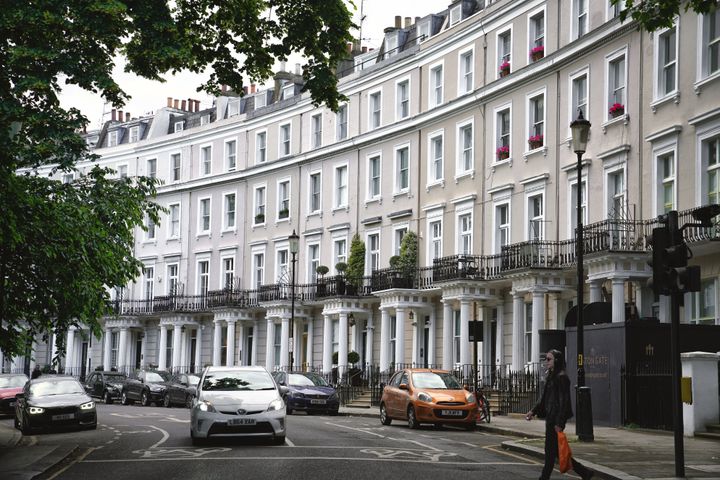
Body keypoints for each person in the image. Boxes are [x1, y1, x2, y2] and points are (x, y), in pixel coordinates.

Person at [526, 349, 593, 480]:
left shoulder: (562, 377)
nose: (546, 362)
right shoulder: (551, 376)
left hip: (555, 419)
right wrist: (532, 411)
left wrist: (560, 422)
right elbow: (543, 398)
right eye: (546, 359)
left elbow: (564, 402)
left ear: (556, 360)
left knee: (550, 453)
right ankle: (585, 473)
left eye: (549, 359)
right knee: (556, 451)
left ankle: (544, 478)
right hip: (550, 418)